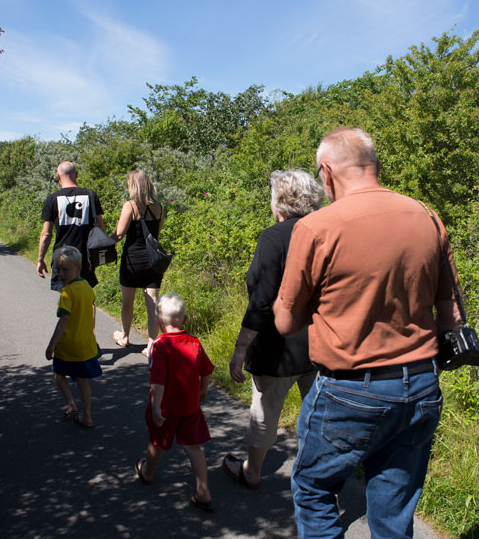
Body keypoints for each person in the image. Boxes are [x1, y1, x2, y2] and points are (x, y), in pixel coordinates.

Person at [273, 127, 463, 539]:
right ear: (375, 166)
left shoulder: (317, 227)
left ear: (326, 173)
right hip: (421, 386)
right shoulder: (427, 217)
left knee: (313, 488)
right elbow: (451, 316)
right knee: (394, 514)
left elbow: (285, 323)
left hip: (349, 390)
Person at [222, 170, 323, 490]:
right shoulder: (326, 232)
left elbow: (262, 300)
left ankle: (252, 472)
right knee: (319, 415)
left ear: (278, 200)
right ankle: (321, 480)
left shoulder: (273, 236)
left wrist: (240, 348)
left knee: (265, 410)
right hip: (321, 343)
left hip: (278, 347)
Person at [135, 293, 215, 512]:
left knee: (157, 441)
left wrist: (156, 407)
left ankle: (148, 473)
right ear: (185, 320)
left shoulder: (159, 346)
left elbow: (158, 381)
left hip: (167, 408)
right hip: (190, 406)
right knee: (193, 447)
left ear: (159, 323)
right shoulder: (195, 343)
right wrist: (203, 390)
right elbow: (206, 370)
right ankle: (203, 491)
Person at [44, 245, 102, 429]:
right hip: (86, 345)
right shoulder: (87, 287)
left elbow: (63, 321)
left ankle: (71, 404)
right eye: (58, 269)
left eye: (65, 270)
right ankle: (88, 417)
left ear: (78, 268)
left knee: (59, 375)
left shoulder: (67, 293)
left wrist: (51, 345)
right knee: (83, 382)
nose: (61, 274)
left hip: (68, 346)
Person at [110, 170, 165, 356]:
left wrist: (103, 242)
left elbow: (119, 235)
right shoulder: (158, 207)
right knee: (152, 302)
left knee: (127, 301)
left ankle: (124, 337)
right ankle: (151, 344)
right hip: (152, 261)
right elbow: (156, 233)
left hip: (132, 260)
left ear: (133, 185)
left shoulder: (130, 206)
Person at [37, 161, 107, 292]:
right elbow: (101, 229)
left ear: (58, 176)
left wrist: (40, 259)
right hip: (86, 257)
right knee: (87, 296)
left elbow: (46, 234)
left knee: (66, 297)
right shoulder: (91, 195)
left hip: (62, 257)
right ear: (77, 175)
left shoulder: (52, 199)